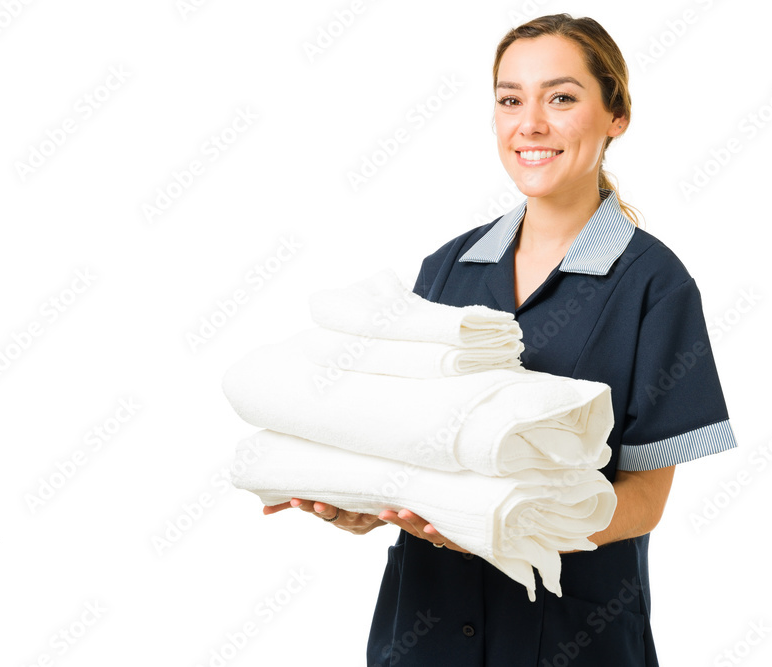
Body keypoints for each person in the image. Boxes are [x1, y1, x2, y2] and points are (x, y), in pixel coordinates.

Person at [263, 13, 737, 665]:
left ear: (616, 115)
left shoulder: (653, 284)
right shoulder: (448, 268)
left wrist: (508, 525)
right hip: (423, 640)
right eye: (510, 99)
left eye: (561, 97)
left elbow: (645, 501)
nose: (530, 123)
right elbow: (408, 449)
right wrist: (366, 506)